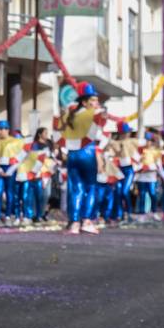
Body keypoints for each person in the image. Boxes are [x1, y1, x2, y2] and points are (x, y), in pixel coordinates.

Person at [59, 82, 107, 235]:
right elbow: (97, 136)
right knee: (91, 187)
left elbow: (60, 135)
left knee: (75, 189)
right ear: (84, 102)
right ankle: (86, 221)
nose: (96, 103)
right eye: (92, 100)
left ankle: (74, 223)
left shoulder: (69, 115)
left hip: (73, 154)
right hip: (87, 153)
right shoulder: (94, 114)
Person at [0, 121, 25, 226]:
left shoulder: (16, 141)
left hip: (11, 170)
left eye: (3, 129)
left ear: (8, 130)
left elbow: (21, 156)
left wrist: (11, 170)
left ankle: (8, 216)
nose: (0, 131)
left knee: (10, 193)